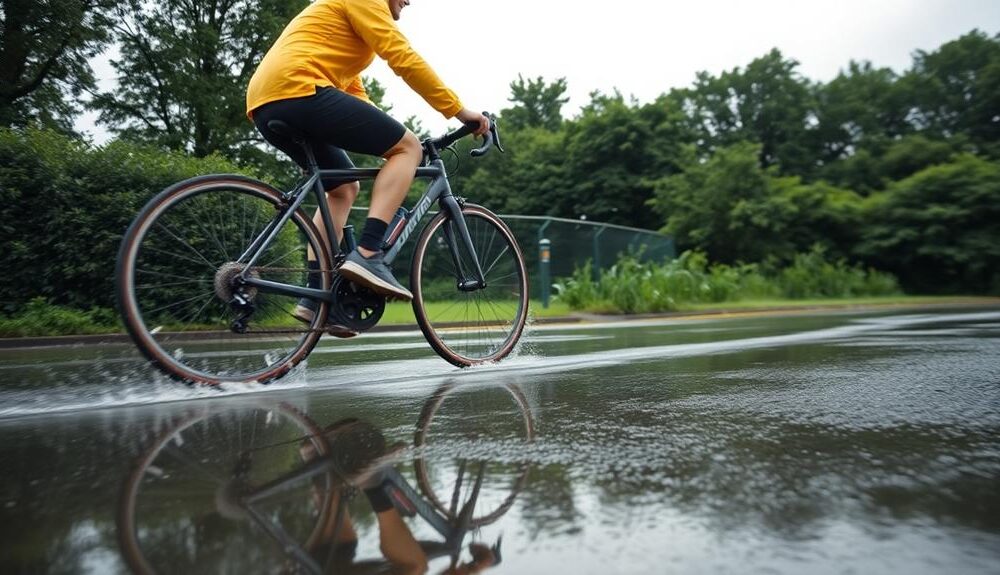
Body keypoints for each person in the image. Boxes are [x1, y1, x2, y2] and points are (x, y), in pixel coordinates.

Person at [246, 0, 489, 334]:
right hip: (299, 88)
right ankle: (368, 253)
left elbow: (355, 96)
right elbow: (402, 55)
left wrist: (399, 141)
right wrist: (459, 112)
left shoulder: (346, 29)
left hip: (268, 101)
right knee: (408, 149)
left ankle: (315, 298)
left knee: (344, 188)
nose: (409, 1)